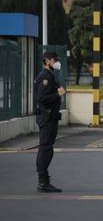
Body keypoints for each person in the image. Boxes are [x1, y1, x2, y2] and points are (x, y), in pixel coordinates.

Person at [35, 52, 65, 193]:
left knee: (47, 148)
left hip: (50, 117)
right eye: (55, 60)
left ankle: (44, 181)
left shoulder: (49, 75)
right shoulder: (45, 76)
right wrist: (57, 95)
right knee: (45, 148)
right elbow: (42, 98)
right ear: (47, 61)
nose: (57, 62)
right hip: (46, 118)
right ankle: (43, 182)